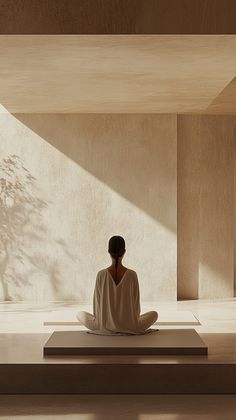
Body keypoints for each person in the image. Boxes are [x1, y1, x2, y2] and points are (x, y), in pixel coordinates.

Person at [77, 235, 158, 334]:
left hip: (104, 325)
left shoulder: (101, 274)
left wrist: (101, 322)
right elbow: (136, 307)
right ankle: (127, 325)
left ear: (109, 252)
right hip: (130, 325)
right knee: (154, 314)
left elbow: (97, 307)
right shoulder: (132, 274)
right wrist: (133, 322)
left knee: (79, 314)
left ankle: (104, 325)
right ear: (124, 252)